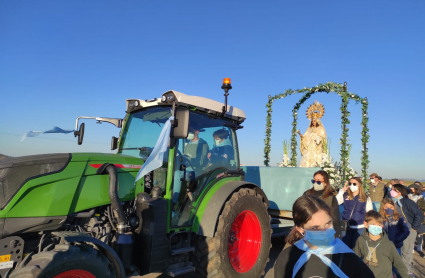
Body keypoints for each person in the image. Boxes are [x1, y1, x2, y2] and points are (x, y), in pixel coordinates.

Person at [274, 195, 374, 278]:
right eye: (315, 228)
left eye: (328, 223)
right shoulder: (287, 257)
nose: (324, 231)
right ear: (300, 229)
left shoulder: (346, 255)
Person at [353, 210, 409, 278]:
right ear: (365, 224)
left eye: (379, 225)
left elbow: (400, 265)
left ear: (382, 226)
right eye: (373, 224)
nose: (376, 227)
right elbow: (354, 258)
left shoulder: (388, 244)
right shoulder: (361, 240)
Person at [391, 184, 425, 277]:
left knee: (406, 252)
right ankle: (397, 271)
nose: (391, 191)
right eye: (392, 189)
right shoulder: (392, 202)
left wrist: (414, 227)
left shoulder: (407, 202)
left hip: (408, 230)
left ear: (400, 191)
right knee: (397, 251)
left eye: (394, 189)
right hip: (396, 230)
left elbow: (419, 215)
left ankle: (407, 272)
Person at [336, 177, 373, 248]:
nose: (352, 185)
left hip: (359, 227)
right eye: (350, 183)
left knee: (357, 247)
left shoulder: (365, 197)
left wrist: (368, 226)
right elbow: (336, 202)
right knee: (345, 247)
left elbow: (369, 212)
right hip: (346, 226)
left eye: (354, 184)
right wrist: (342, 191)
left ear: (359, 185)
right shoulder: (345, 196)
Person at [303, 170, 341, 238]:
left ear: (325, 183)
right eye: (314, 181)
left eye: (318, 181)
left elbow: (335, 218)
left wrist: (337, 234)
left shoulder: (330, 197)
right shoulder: (307, 194)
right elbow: (301, 212)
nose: (315, 183)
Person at [298, 100, 327, 168]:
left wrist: (316, 137)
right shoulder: (309, 129)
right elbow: (305, 137)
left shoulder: (321, 129)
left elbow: (323, 138)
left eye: (315, 120)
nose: (313, 122)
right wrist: (302, 137)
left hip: (316, 148)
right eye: (312, 120)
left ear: (317, 121)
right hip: (308, 148)